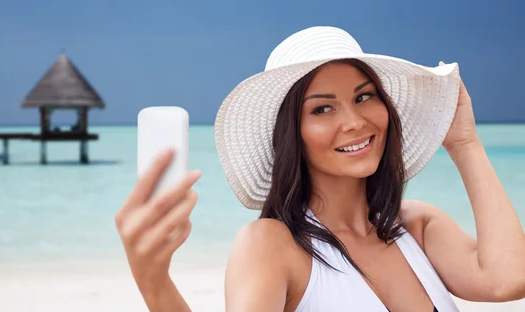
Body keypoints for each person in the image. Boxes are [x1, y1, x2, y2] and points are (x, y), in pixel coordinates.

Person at [115, 26, 525, 311]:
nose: (353, 121)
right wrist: (153, 280)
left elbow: (508, 279)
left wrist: (464, 143)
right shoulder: (272, 246)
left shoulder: (415, 226)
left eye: (364, 97)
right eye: (323, 108)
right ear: (292, 133)